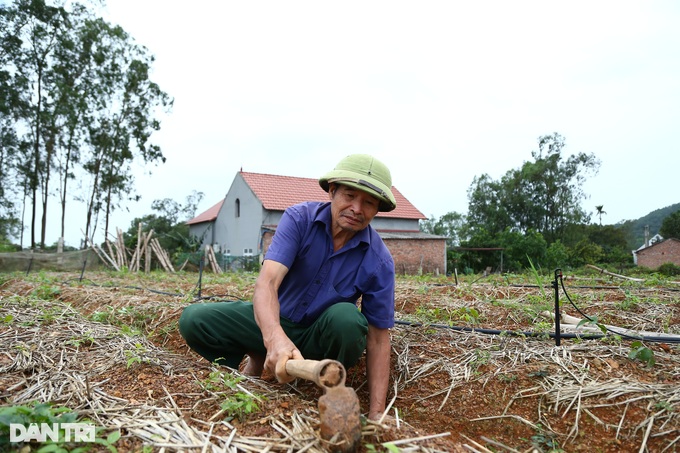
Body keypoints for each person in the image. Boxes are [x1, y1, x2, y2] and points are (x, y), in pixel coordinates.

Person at [178, 154, 397, 420]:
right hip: (272, 320)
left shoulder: (379, 259)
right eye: (349, 196)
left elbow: (377, 337)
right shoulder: (299, 219)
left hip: (317, 337)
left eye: (369, 202)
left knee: (348, 320)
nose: (356, 208)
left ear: (377, 209)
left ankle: (327, 384)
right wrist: (274, 338)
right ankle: (258, 353)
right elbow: (267, 282)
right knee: (194, 320)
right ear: (332, 191)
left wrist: (377, 413)